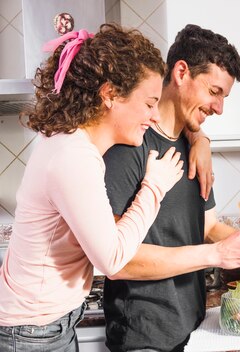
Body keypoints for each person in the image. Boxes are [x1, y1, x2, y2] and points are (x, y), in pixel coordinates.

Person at [102, 24, 240, 352]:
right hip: (144, 336)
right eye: (214, 91)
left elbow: (206, 227)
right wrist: (217, 254)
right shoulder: (130, 146)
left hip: (192, 327)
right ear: (181, 72)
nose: (219, 108)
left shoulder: (194, 149)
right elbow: (119, 260)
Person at [0, 24, 185, 351]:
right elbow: (111, 259)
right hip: (31, 334)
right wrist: (154, 187)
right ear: (110, 94)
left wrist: (198, 137)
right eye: (149, 103)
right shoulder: (73, 157)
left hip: (46, 325)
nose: (155, 116)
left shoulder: (74, 144)